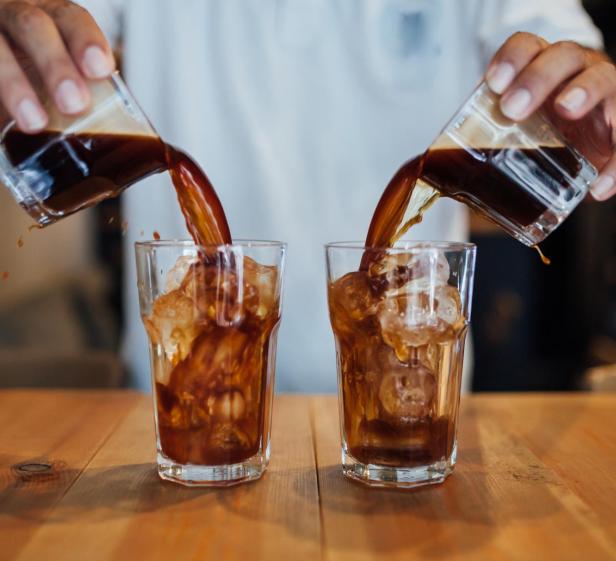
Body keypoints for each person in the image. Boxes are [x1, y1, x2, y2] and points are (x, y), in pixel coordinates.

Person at [0, 0, 613, 392]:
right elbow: (49, 26)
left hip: (413, 404)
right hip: (173, 406)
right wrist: (23, 39)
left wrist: (585, 88)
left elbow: (567, 54)